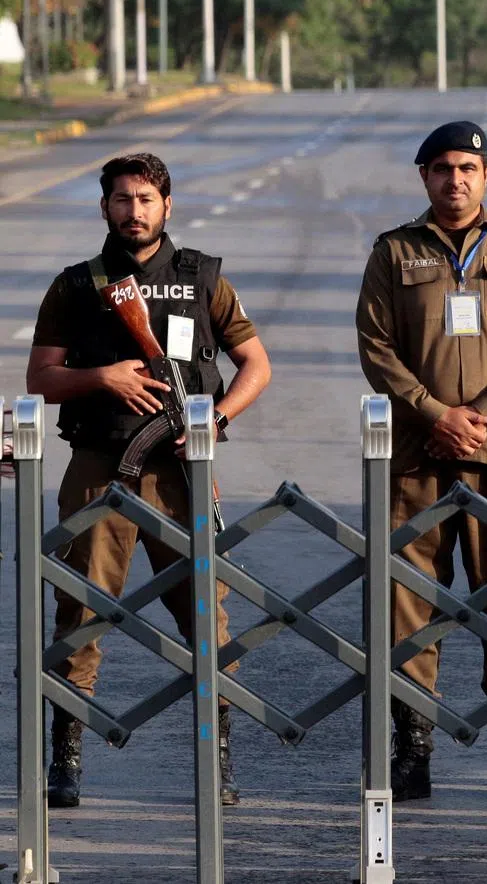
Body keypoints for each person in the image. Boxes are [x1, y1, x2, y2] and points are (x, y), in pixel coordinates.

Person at [26, 152, 272, 809]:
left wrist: (216, 418)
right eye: (121, 199)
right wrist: (101, 378)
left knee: (205, 614)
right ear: (103, 207)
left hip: (181, 471)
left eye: (145, 199)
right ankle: (66, 760)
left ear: (167, 206)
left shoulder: (203, 279)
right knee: (79, 609)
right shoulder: (77, 286)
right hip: (99, 464)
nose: (133, 211)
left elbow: (254, 365)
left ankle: (216, 760)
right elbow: (40, 378)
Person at [355, 121, 487, 802]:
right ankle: (412, 747)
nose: (456, 180)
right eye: (442, 168)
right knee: (409, 602)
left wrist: (485, 417)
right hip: (418, 453)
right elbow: (376, 346)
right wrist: (434, 413)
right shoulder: (394, 252)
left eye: (469, 167)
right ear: (424, 176)